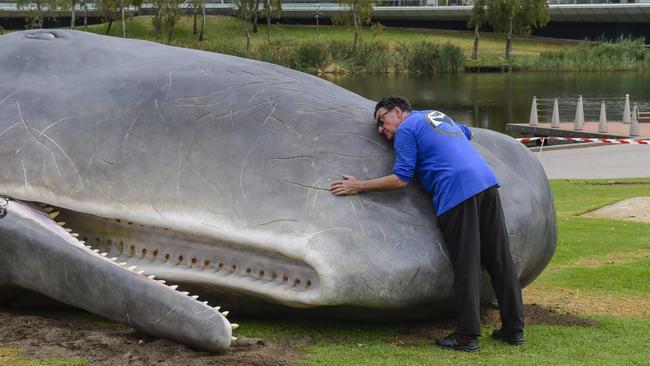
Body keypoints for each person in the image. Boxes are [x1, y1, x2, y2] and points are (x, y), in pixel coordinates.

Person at [329, 96, 524, 352]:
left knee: (466, 263)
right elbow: (465, 132)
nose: (380, 129)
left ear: (397, 111)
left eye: (381, 120)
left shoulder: (406, 129)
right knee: (500, 258)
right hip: (486, 184)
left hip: (456, 192)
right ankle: (513, 330)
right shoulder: (434, 115)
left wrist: (359, 186)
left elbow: (401, 177)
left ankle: (467, 336)